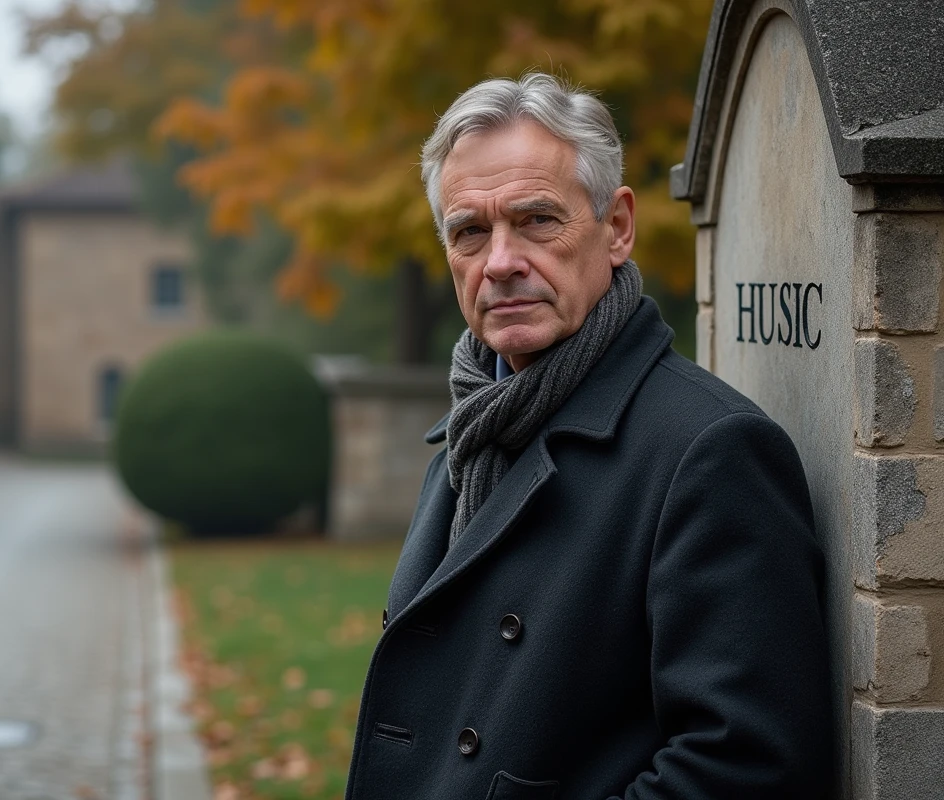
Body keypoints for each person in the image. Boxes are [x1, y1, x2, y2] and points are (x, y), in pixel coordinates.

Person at [344, 73, 831, 800]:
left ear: (618, 227)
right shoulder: (474, 425)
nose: (500, 262)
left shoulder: (710, 450)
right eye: (469, 231)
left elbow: (747, 767)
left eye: (537, 219)